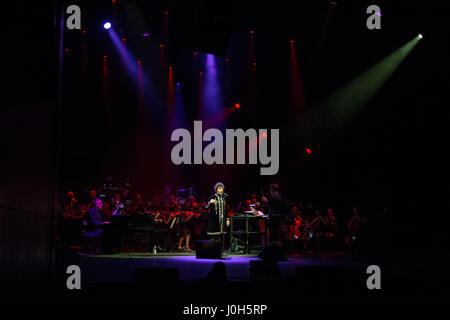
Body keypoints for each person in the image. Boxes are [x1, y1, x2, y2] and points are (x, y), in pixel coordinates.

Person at [205, 182, 230, 253]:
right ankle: (211, 250)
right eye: (219, 188)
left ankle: (220, 251)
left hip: (222, 221)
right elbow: (205, 208)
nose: (221, 190)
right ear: (216, 189)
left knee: (221, 236)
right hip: (214, 220)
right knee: (214, 237)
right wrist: (210, 203)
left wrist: (227, 219)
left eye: (222, 188)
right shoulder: (212, 197)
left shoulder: (224, 198)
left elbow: (226, 210)